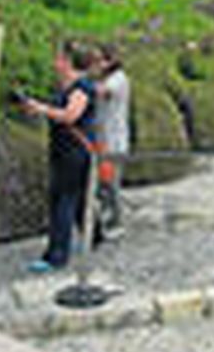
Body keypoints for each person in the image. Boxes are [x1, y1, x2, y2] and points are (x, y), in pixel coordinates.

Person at [19, 40, 99, 273]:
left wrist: (42, 109)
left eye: (59, 58)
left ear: (68, 62)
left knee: (62, 201)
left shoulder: (81, 88)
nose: (55, 63)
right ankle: (94, 235)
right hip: (66, 149)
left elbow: (70, 116)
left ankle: (57, 255)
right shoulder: (69, 87)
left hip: (74, 152)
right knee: (78, 199)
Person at [93, 42, 131, 236]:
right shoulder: (105, 78)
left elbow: (102, 92)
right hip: (102, 140)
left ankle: (118, 222)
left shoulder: (118, 79)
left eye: (99, 60)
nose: (96, 65)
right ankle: (106, 219)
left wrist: (78, 82)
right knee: (102, 183)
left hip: (114, 142)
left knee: (111, 183)